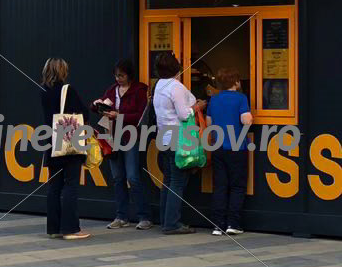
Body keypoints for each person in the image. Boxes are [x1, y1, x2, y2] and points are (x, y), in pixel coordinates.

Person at [151, 51, 203, 235]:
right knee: (177, 182)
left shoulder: (158, 85)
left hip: (164, 137)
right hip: (178, 138)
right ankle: (172, 224)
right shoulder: (176, 87)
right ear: (176, 68)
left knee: (168, 180)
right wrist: (197, 107)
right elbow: (183, 114)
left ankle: (165, 219)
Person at [94, 59, 151, 230]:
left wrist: (119, 115)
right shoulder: (112, 90)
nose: (118, 79)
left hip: (131, 135)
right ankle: (121, 216)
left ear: (129, 75)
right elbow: (99, 107)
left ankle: (144, 217)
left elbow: (140, 115)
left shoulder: (140, 90)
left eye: (122, 76)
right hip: (113, 136)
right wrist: (96, 105)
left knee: (133, 177)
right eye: (116, 75)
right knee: (118, 178)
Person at [41, 58, 90, 241]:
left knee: (54, 186)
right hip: (69, 141)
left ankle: (54, 228)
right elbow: (83, 113)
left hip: (51, 142)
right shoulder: (68, 90)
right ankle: (70, 228)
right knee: (71, 184)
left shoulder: (43, 91)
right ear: (63, 71)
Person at [206, 68, 253, 236]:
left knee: (220, 186)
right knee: (237, 186)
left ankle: (217, 225)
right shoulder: (241, 98)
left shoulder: (214, 99)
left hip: (218, 147)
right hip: (237, 146)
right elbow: (246, 120)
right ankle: (233, 224)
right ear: (236, 82)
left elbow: (209, 123)